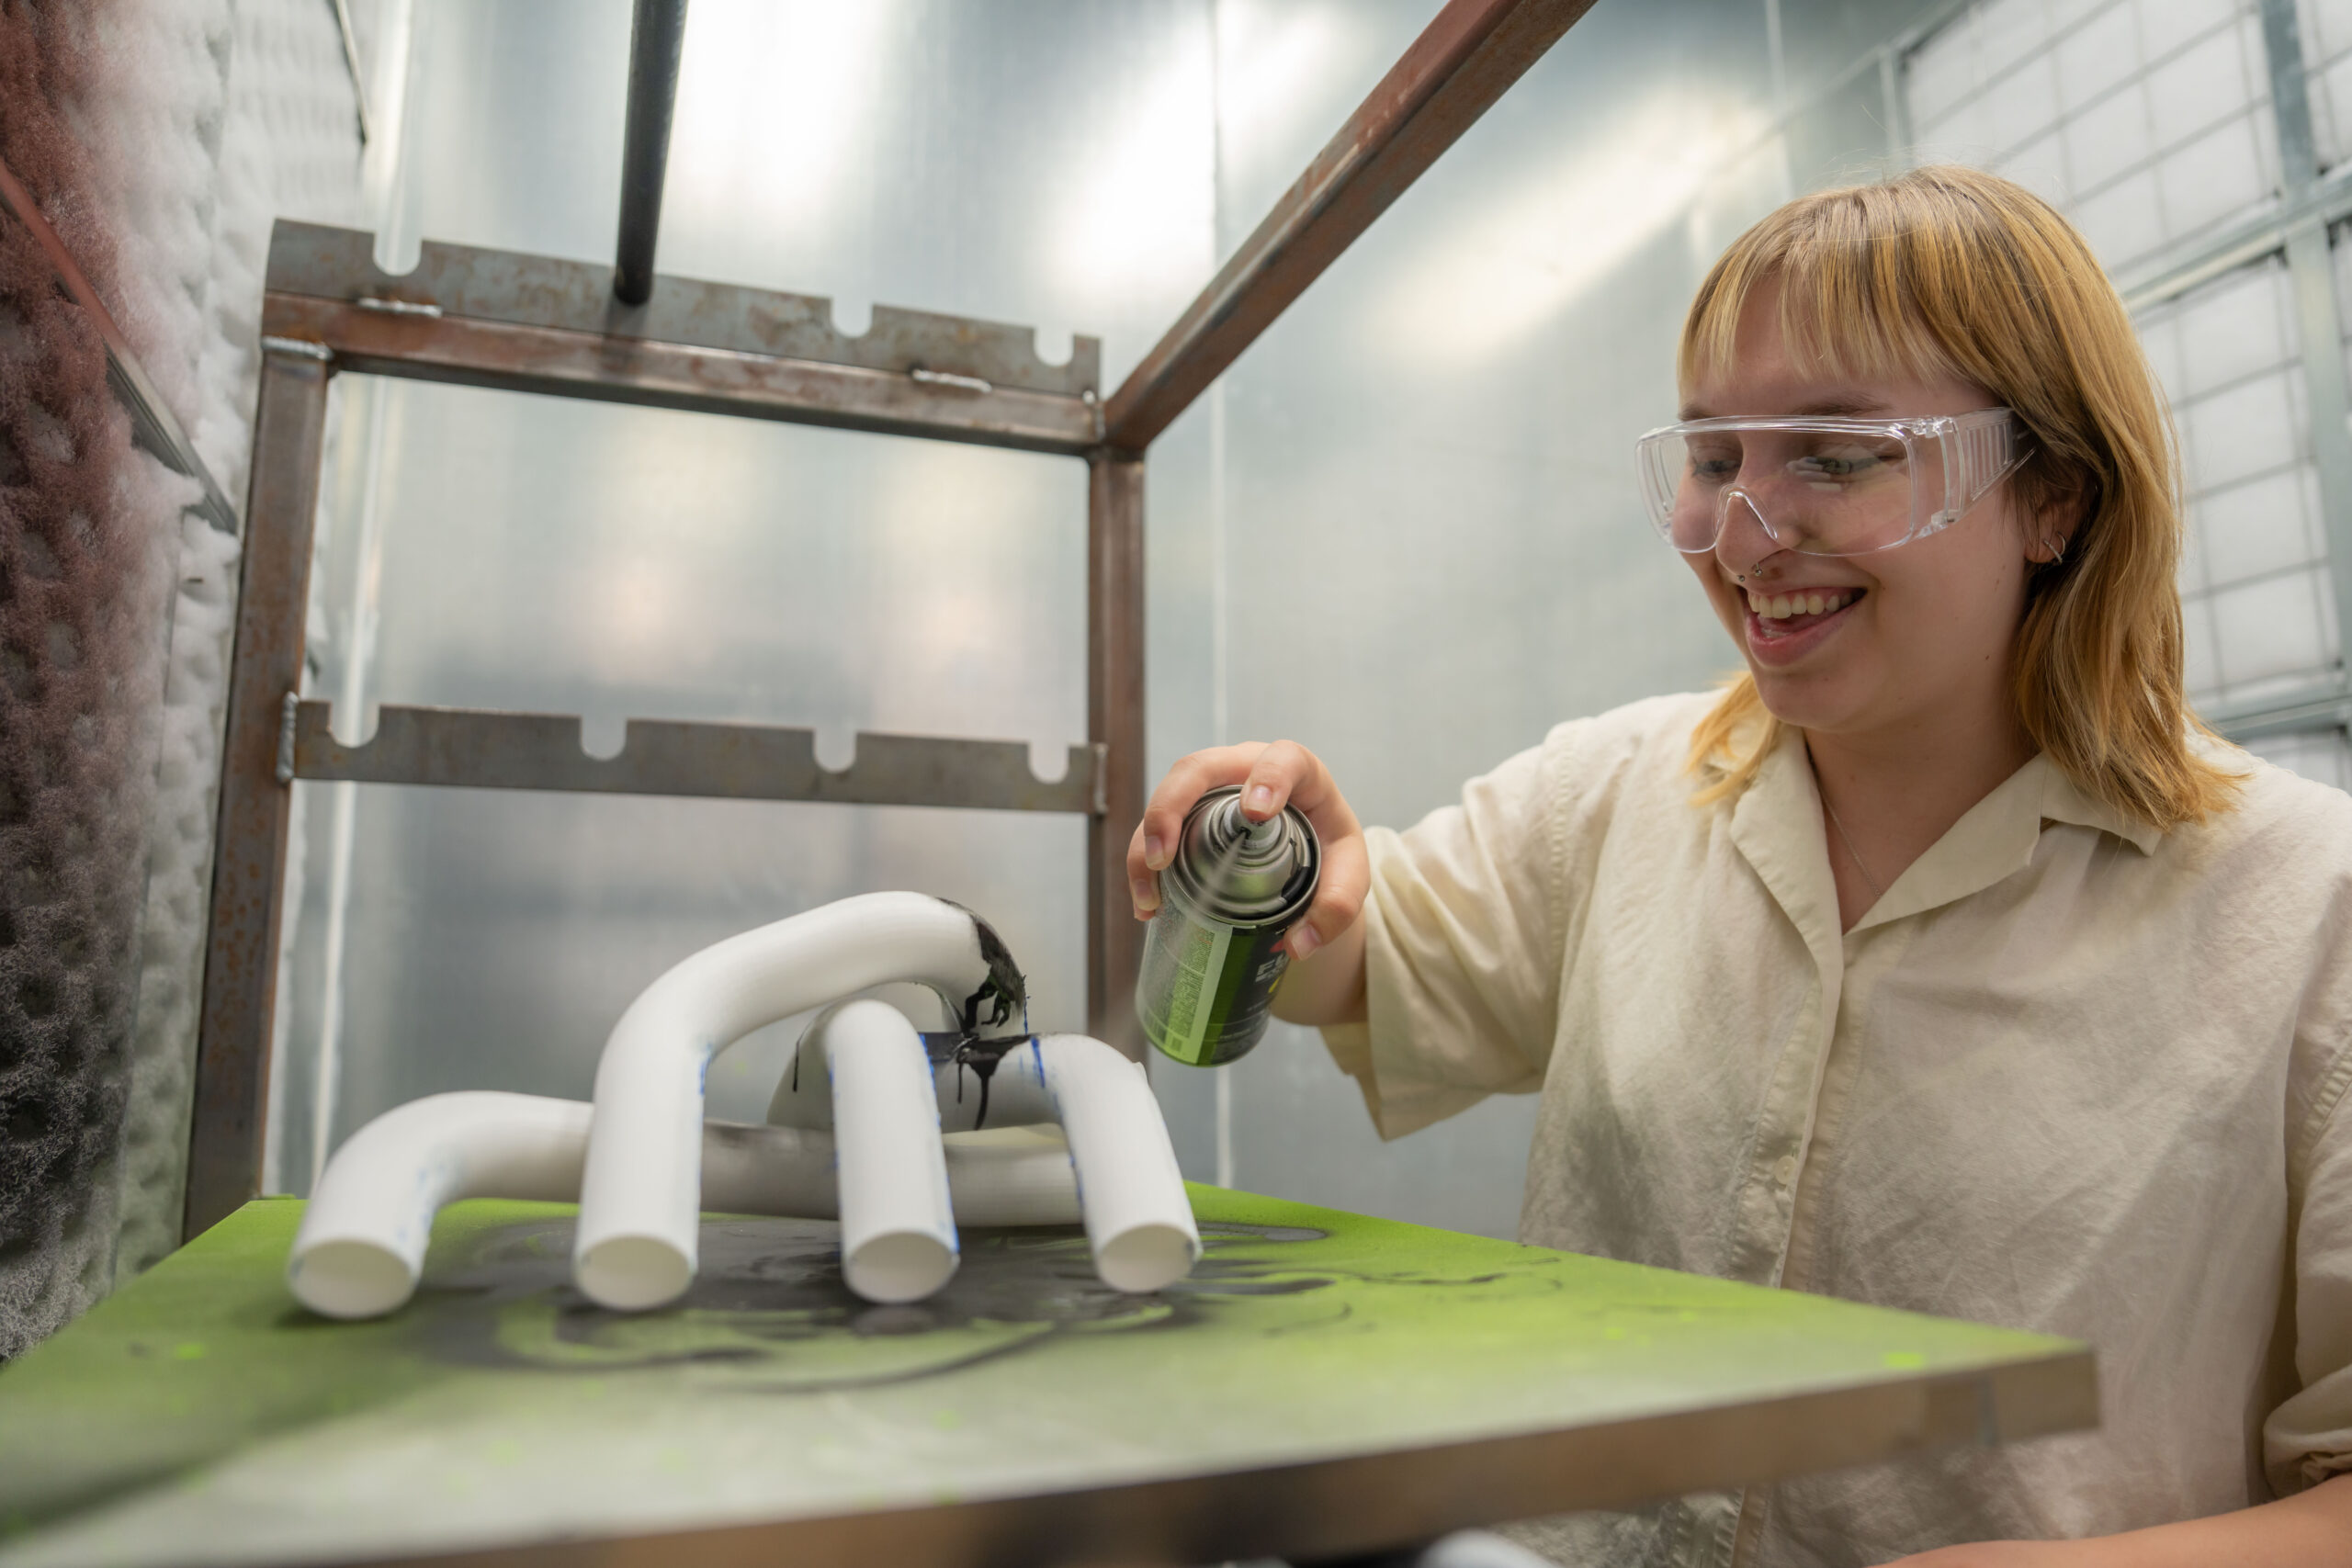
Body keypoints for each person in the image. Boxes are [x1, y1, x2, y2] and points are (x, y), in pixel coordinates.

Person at [1128, 166, 2352, 1566]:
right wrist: (1276, 873)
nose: (1744, 532)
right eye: (1714, 460)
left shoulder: (2307, 911)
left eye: (1835, 456)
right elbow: (1363, 968)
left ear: (2053, 497)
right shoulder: (1622, 794)